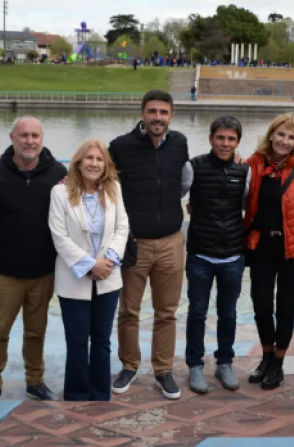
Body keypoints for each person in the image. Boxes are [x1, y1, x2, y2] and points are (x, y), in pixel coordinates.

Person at [0, 116, 68, 401]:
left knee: (36, 331)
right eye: (24, 135)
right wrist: (0, 238)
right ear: (12, 137)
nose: (29, 141)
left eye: (35, 136)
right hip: (4, 273)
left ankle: (35, 380)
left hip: (43, 272)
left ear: (42, 139)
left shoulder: (57, 174)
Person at [108, 90, 189, 400]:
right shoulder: (120, 147)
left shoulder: (179, 143)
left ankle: (163, 370)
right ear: (142, 113)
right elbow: (97, 176)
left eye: (164, 112)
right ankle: (129, 366)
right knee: (129, 311)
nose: (158, 117)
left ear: (171, 116)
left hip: (171, 240)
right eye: (152, 111)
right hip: (134, 243)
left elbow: (184, 182)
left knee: (166, 312)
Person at [244, 113, 294, 390]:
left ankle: (278, 362)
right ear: (271, 135)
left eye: (291, 137)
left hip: (293, 251)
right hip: (262, 247)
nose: (285, 141)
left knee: (286, 308)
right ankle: (266, 356)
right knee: (261, 305)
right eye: (281, 134)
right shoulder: (254, 164)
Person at [49, 139, 129, 401]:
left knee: (102, 340)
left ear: (106, 165)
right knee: (77, 341)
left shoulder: (114, 189)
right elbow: (59, 236)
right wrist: (89, 264)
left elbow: (122, 228)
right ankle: (76, 393)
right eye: (89, 158)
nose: (94, 163)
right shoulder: (59, 194)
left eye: (99, 159)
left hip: (108, 276)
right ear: (78, 162)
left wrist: (107, 261)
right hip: (74, 279)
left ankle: (99, 392)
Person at [181, 116, 250, 394]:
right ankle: (195, 365)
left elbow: (250, 204)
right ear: (211, 139)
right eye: (220, 138)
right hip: (200, 254)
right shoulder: (193, 167)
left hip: (233, 254)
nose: (225, 143)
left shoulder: (244, 170)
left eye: (231, 139)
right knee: (197, 312)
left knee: (228, 313)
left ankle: (224, 363)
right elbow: (174, 195)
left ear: (237, 143)